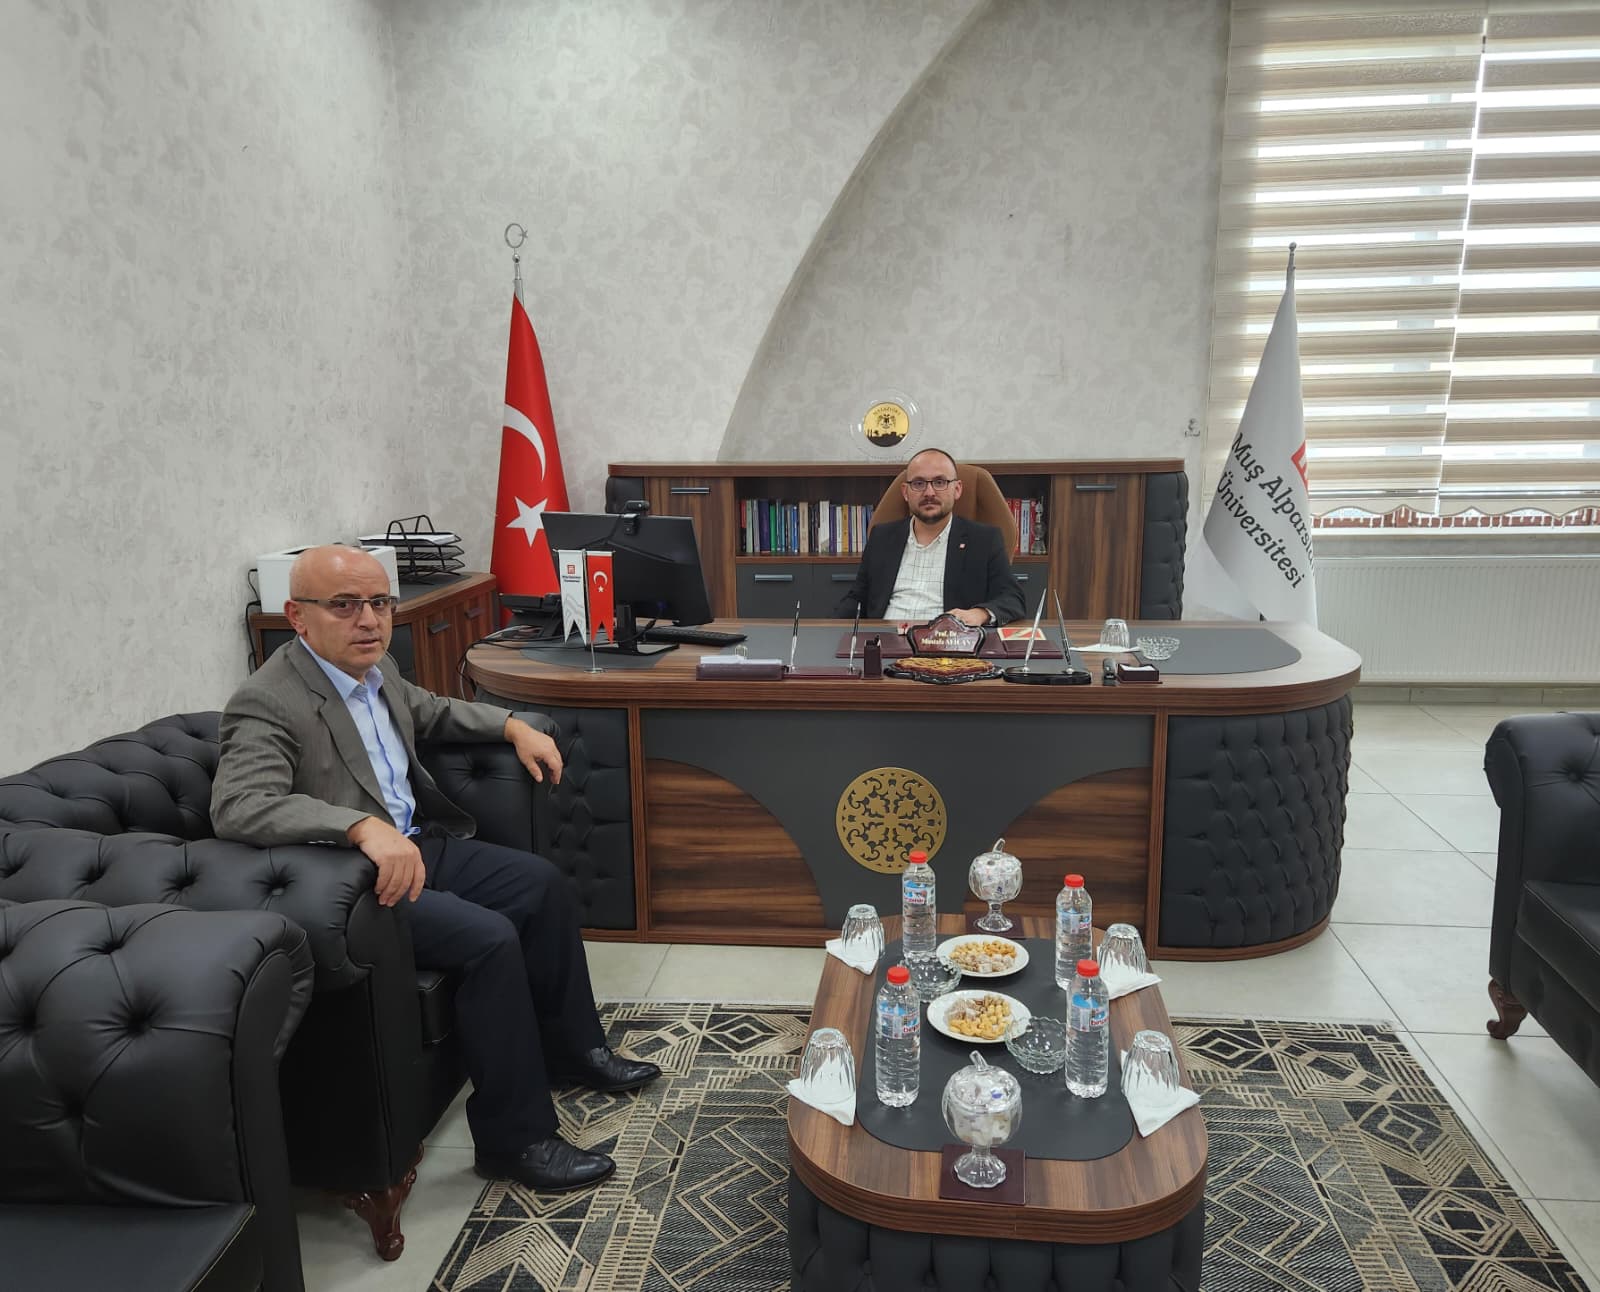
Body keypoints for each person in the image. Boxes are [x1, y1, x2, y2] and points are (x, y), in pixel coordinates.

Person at [211, 545, 657, 1194]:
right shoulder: (268, 700)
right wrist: (359, 827)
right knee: (490, 940)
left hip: (420, 844)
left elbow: (429, 710)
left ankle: (573, 1053)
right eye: (345, 605)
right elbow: (239, 805)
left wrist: (511, 725)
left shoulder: (376, 667)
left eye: (379, 602)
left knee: (543, 887)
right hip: (355, 880)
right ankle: (515, 1142)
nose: (369, 619)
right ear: (297, 616)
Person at [834, 447, 1026, 626]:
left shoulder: (984, 540)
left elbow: (1012, 599)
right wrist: (829, 631)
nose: (929, 492)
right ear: (906, 492)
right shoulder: (882, 537)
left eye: (940, 482)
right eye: (918, 484)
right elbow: (857, 598)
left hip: (949, 641)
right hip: (886, 638)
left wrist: (980, 613)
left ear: (957, 489)